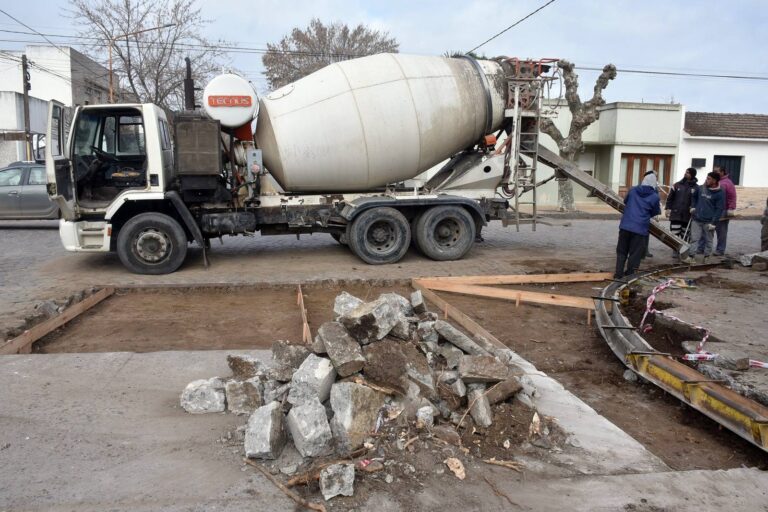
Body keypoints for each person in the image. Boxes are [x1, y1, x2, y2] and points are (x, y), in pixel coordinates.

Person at [615, 171, 661, 279]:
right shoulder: (655, 196)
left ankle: (618, 274)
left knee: (621, 252)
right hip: (640, 228)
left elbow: (625, 201)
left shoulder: (633, 190)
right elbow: (655, 212)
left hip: (625, 226)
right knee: (635, 254)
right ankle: (630, 276)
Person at [688, 172, 725, 263]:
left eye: (709, 179)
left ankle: (707, 256)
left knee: (709, 240)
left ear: (714, 181)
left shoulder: (720, 193)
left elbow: (719, 209)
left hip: (709, 221)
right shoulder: (701, 188)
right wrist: (693, 206)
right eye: (706, 178)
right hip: (697, 218)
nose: (706, 180)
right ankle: (691, 256)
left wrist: (714, 223)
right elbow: (694, 197)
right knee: (694, 238)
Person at [664, 167, 699, 243]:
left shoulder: (697, 188)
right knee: (674, 235)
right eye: (685, 172)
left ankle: (683, 249)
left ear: (692, 174)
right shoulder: (677, 185)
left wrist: (694, 208)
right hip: (676, 214)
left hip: (687, 216)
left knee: (685, 236)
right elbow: (670, 198)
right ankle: (675, 248)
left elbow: (697, 201)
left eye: (688, 172)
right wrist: (668, 208)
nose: (685, 173)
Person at [713, 165, 737, 256]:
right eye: (714, 171)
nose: (715, 173)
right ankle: (702, 248)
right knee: (707, 230)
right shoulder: (713, 181)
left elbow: (732, 196)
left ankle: (720, 250)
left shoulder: (728, 183)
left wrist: (731, 208)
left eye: (717, 171)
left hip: (722, 211)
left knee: (721, 232)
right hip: (711, 209)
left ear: (722, 172)